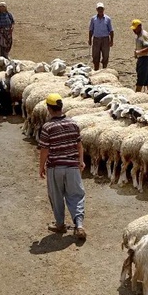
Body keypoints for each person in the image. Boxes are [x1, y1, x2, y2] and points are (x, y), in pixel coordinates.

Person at [38, 93, 87, 240]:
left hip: (55, 167)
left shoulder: (47, 127)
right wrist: (81, 161)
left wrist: (41, 167)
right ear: (61, 107)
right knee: (76, 195)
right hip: (72, 166)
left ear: (49, 108)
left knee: (56, 196)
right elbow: (79, 145)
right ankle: (79, 225)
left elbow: (44, 150)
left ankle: (60, 224)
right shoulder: (73, 123)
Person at [131, 19, 148, 98]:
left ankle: (136, 96)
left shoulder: (144, 35)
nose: (133, 30)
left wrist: (138, 52)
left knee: (141, 76)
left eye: (135, 28)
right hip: (143, 57)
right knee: (147, 75)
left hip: (145, 58)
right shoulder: (138, 34)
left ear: (139, 27)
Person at [88, 2, 114, 70]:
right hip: (96, 39)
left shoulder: (108, 19)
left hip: (105, 39)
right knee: (95, 56)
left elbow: (111, 30)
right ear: (96, 9)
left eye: (101, 9)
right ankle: (96, 70)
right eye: (99, 9)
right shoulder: (93, 19)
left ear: (104, 9)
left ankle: (104, 69)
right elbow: (91, 30)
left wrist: (111, 41)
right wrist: (90, 40)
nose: (100, 10)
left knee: (105, 56)